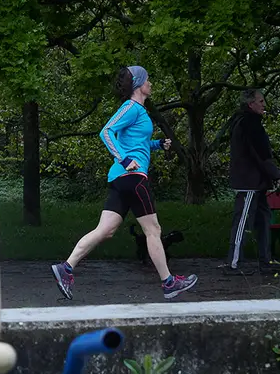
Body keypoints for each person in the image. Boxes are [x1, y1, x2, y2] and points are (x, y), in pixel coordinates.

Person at [50, 66, 198, 300]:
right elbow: (106, 132)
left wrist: (157, 145)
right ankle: (169, 283)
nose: (151, 83)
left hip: (122, 179)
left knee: (105, 231)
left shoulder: (138, 110)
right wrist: (124, 158)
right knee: (153, 230)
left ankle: (66, 268)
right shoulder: (131, 107)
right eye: (148, 79)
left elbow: (135, 142)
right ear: (139, 84)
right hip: (133, 178)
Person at [224, 89, 280, 276]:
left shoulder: (243, 122)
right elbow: (261, 154)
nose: (264, 104)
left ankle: (265, 261)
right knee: (243, 221)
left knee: (262, 221)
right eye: (261, 101)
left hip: (256, 182)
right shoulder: (250, 124)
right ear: (251, 104)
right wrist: (276, 175)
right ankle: (233, 263)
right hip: (250, 182)